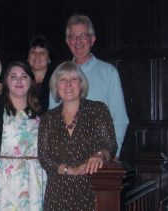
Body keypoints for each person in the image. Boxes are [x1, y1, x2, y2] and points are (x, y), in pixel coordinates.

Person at [38, 61, 117, 210]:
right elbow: (44, 158)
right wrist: (70, 170)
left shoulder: (97, 110)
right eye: (62, 80)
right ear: (56, 86)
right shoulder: (47, 118)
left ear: (81, 84)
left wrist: (99, 155)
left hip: (91, 188)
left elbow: (110, 146)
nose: (68, 84)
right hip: (57, 193)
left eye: (73, 79)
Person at [49, 14, 129, 159]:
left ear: (92, 40)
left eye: (83, 36)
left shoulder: (109, 72)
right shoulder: (59, 75)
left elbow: (120, 118)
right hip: (67, 159)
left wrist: (112, 153)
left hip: (99, 158)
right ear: (67, 41)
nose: (78, 41)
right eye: (73, 37)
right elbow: (51, 120)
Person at [0, 61, 47, 211]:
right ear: (6, 82)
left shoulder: (41, 114)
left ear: (31, 82)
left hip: (35, 187)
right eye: (13, 77)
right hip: (4, 188)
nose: (19, 81)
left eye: (24, 76)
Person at [27, 34, 54, 113]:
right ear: (28, 58)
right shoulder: (20, 80)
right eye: (33, 52)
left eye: (42, 53)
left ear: (49, 58)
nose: (37, 56)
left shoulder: (57, 79)